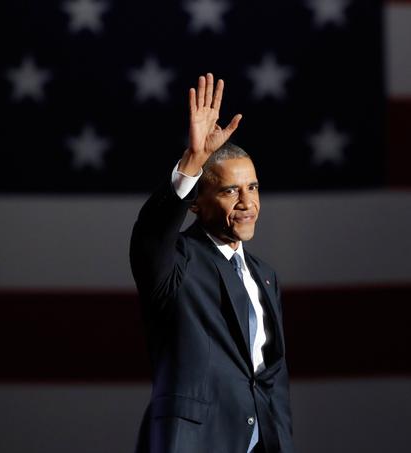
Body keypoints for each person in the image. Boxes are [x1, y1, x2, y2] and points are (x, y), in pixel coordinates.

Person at [130, 73, 293, 453]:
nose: (246, 203)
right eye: (229, 190)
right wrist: (193, 162)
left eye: (252, 187)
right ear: (195, 204)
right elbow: (150, 235)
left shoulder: (265, 277)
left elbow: (270, 379)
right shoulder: (176, 264)